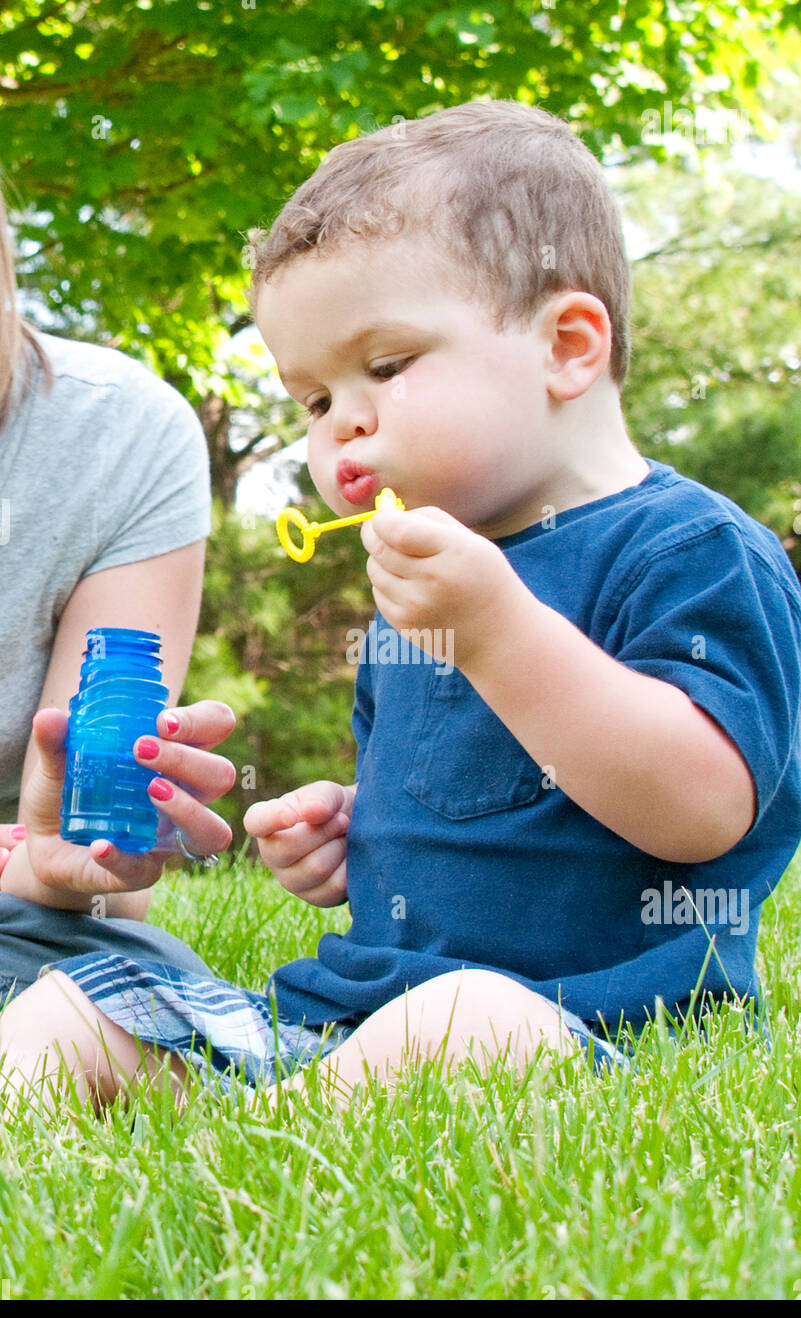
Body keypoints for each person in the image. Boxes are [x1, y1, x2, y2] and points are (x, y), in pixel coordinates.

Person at [2, 100, 800, 1112]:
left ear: (567, 345)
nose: (344, 427)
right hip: (351, 1017)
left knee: (467, 1020)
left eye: (384, 366)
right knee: (75, 1005)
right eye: (316, 399)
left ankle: (261, 1149)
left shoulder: (693, 553)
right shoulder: (423, 588)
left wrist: (497, 633)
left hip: (587, 1021)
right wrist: (350, 831)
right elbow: (466, 804)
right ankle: (224, 1117)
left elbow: (705, 810)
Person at [0, 180, 235, 1002]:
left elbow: (101, 871)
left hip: (14, 913)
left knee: (129, 983)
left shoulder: (120, 437)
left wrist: (60, 863)